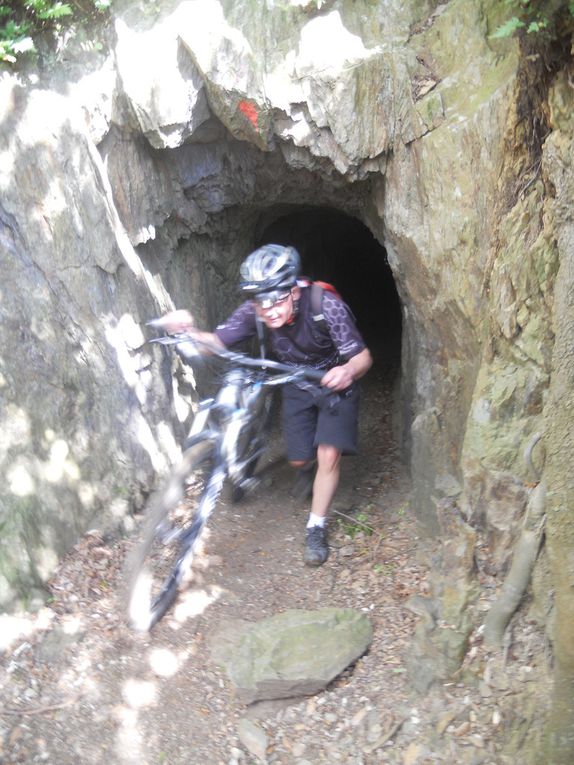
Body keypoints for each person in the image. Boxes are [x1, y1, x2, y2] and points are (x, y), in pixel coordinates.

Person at [159, 244, 372, 566]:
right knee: (300, 460)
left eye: (276, 298)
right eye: (260, 300)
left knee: (328, 453)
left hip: (332, 383)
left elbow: (363, 357)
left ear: (293, 292)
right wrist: (187, 332)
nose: (268, 309)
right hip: (295, 384)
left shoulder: (325, 306)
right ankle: (306, 470)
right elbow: (216, 343)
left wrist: (346, 371)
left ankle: (316, 527)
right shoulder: (254, 311)